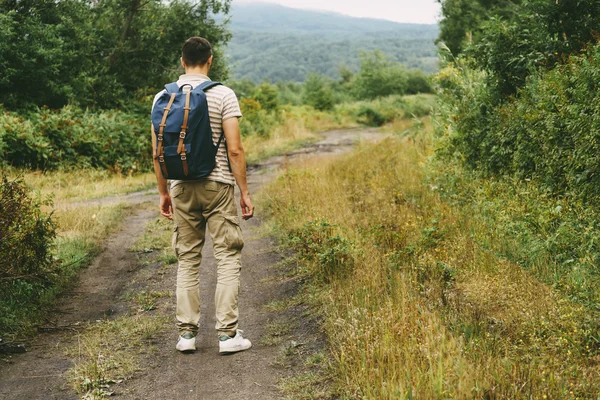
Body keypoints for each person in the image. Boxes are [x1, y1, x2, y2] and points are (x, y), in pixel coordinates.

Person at [151, 36, 254, 354]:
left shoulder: (162, 97)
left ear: (182, 61)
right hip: (218, 185)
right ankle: (227, 335)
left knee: (188, 259)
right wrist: (244, 192)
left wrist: (163, 192)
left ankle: (186, 335)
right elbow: (235, 149)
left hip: (180, 185)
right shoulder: (223, 94)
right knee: (226, 256)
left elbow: (157, 153)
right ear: (210, 60)